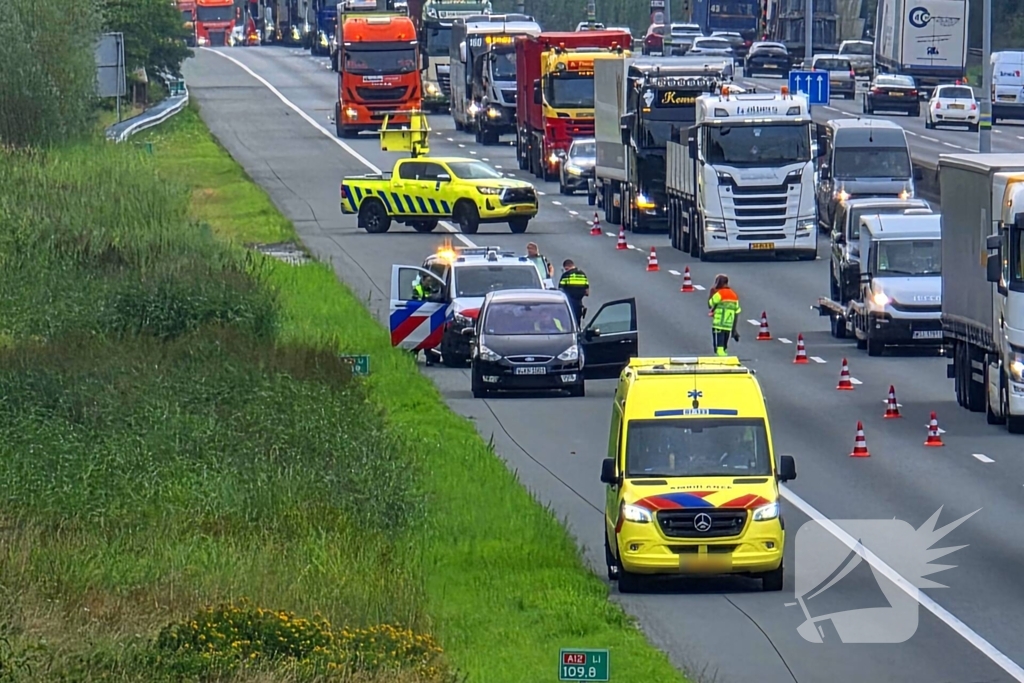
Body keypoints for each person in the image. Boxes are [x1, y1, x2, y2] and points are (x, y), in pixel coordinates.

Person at [708, 274, 741, 356]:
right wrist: (734, 330)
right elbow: (737, 312)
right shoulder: (734, 295)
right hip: (728, 324)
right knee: (724, 347)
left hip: (718, 324)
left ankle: (721, 360)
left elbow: (710, 304)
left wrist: (711, 294)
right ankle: (724, 355)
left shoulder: (720, 294)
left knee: (719, 348)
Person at [559, 259, 589, 323]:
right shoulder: (582, 274)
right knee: (577, 322)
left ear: (566, 267)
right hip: (579, 303)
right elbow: (587, 292)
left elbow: (560, 290)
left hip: (569, 303)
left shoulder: (566, 275)